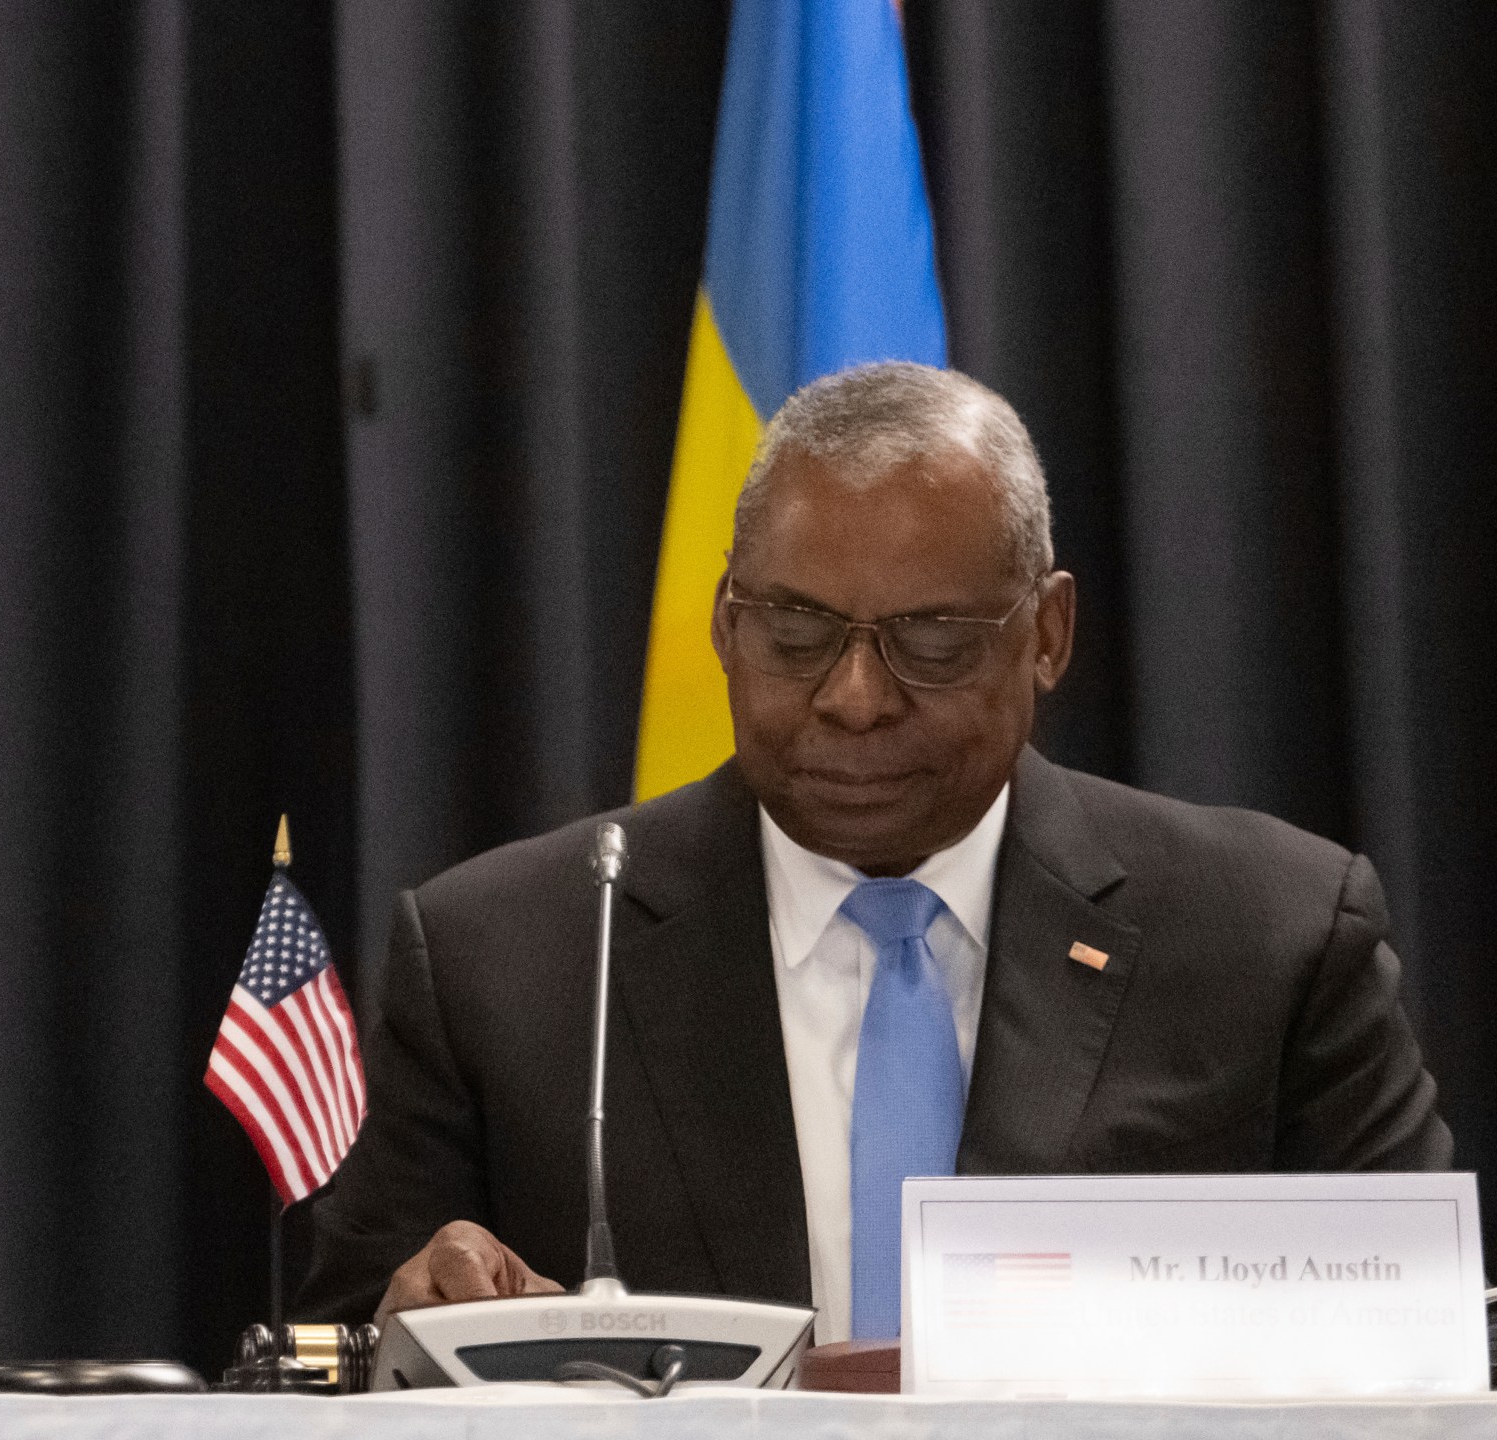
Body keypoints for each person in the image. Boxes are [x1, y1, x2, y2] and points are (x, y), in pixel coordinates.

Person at [297, 362, 1450, 1345]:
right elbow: (348, 1356)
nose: (852, 700)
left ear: (1045, 634)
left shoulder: (1271, 936)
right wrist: (416, 1321)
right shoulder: (508, 957)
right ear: (723, 626)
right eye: (795, 634)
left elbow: (1418, 1342)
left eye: (932, 643)